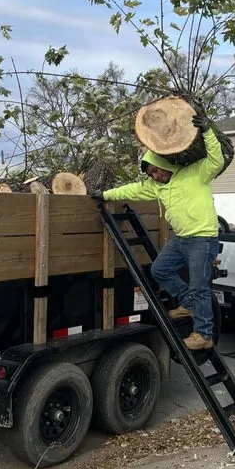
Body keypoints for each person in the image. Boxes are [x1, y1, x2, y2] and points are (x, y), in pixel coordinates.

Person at [98, 111, 223, 350]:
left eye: (156, 170)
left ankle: (204, 335)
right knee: (160, 269)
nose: (154, 175)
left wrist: (207, 131)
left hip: (203, 239)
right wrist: (105, 195)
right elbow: (133, 190)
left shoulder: (195, 173)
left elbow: (215, 160)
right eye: (151, 173)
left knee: (200, 287)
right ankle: (187, 304)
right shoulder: (157, 188)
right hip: (182, 239)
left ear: (164, 164)